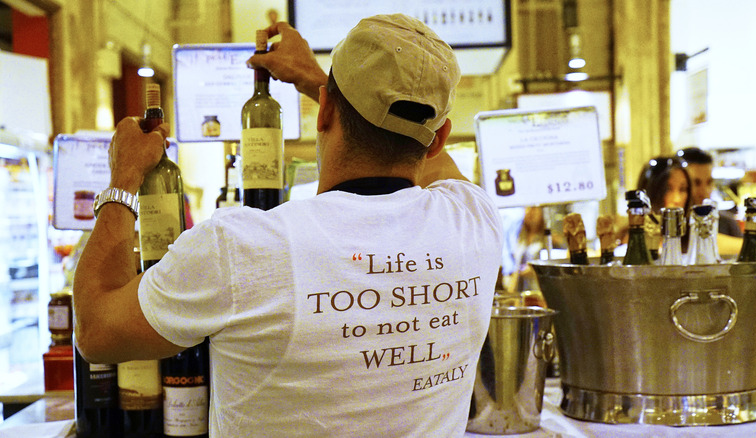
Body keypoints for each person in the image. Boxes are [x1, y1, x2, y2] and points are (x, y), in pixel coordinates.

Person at [73, 14, 503, 438]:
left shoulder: (241, 247)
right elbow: (436, 164)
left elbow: (95, 331)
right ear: (441, 136)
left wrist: (123, 178)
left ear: (326, 110)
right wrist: (318, 81)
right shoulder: (475, 221)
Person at [675, 147, 743, 237]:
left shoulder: (726, 224)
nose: (704, 191)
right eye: (696, 183)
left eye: (709, 182)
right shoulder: (671, 225)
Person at [635, 156, 692, 253]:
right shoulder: (629, 242)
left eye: (682, 189)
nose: (677, 199)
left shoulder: (694, 239)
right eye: (668, 189)